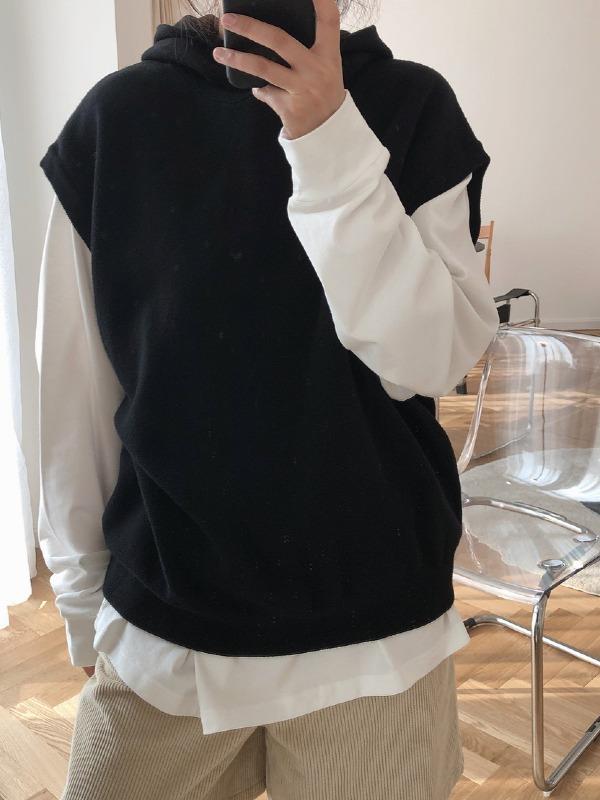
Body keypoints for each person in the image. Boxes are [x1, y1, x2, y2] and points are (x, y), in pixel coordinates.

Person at [35, 1, 499, 798]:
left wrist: (331, 143)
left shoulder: (413, 107)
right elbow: (75, 394)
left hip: (375, 637)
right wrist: (81, 596)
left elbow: (432, 359)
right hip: (164, 634)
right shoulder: (117, 122)